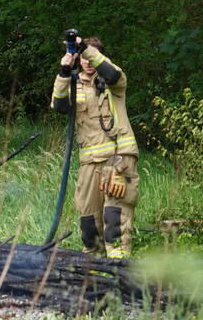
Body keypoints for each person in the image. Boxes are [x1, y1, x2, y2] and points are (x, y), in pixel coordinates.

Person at [51, 35, 139, 259]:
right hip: (89, 163)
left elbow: (112, 73)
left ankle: (120, 270)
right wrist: (63, 72)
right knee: (89, 222)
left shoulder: (113, 82)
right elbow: (59, 106)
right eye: (83, 57)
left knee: (115, 217)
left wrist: (85, 48)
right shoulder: (74, 84)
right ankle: (92, 273)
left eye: (91, 55)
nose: (88, 61)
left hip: (118, 159)